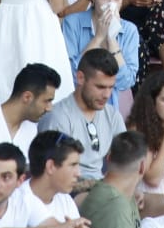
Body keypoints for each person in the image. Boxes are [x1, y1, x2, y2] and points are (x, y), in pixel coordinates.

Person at [38, 49, 125, 185]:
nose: (107, 95)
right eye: (100, 87)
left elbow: (126, 160)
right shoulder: (58, 117)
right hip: (68, 190)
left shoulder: (112, 115)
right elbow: (54, 175)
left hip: (102, 187)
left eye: (111, 88)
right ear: (80, 78)